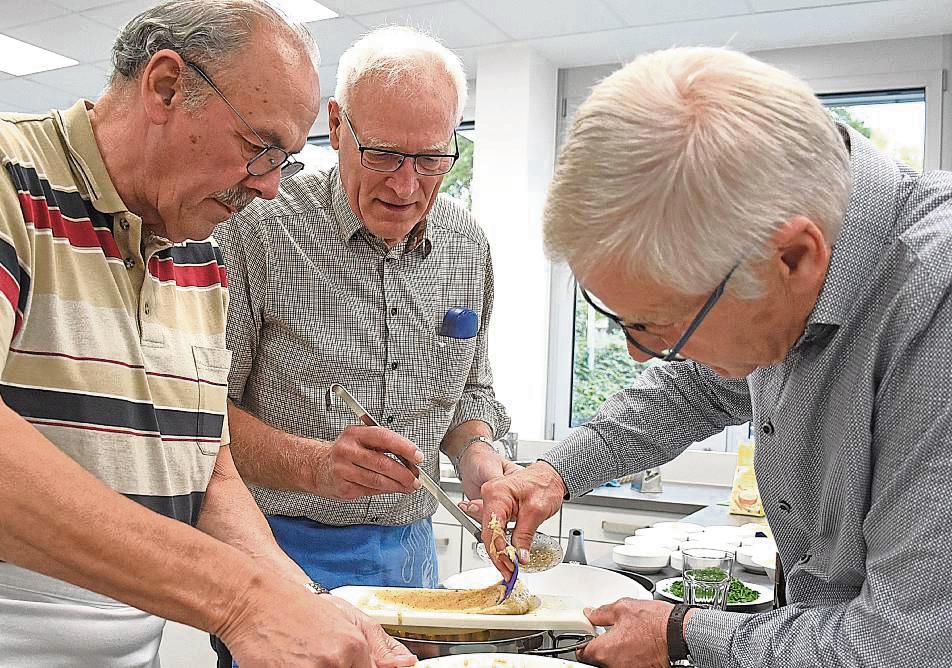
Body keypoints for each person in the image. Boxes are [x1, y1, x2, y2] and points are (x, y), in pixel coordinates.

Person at [471, 46, 952, 667]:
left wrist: (686, 633)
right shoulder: (776, 281)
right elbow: (691, 389)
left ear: (795, 259)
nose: (641, 353)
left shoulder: (933, 309)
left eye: (661, 324)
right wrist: (555, 472)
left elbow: (909, 642)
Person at [0, 1, 416, 666]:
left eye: (287, 159)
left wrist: (301, 603)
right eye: (261, 149)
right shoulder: (8, 178)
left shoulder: (200, 257)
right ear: (166, 87)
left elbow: (209, 473)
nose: (274, 188)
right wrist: (242, 599)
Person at [216, 25, 514, 593]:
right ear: (335, 125)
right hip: (278, 545)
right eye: (382, 155)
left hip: (413, 549)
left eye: (431, 159)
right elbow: (199, 412)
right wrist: (314, 463)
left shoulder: (466, 245)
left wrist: (478, 457)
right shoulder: (259, 231)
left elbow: (469, 390)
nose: (406, 186)